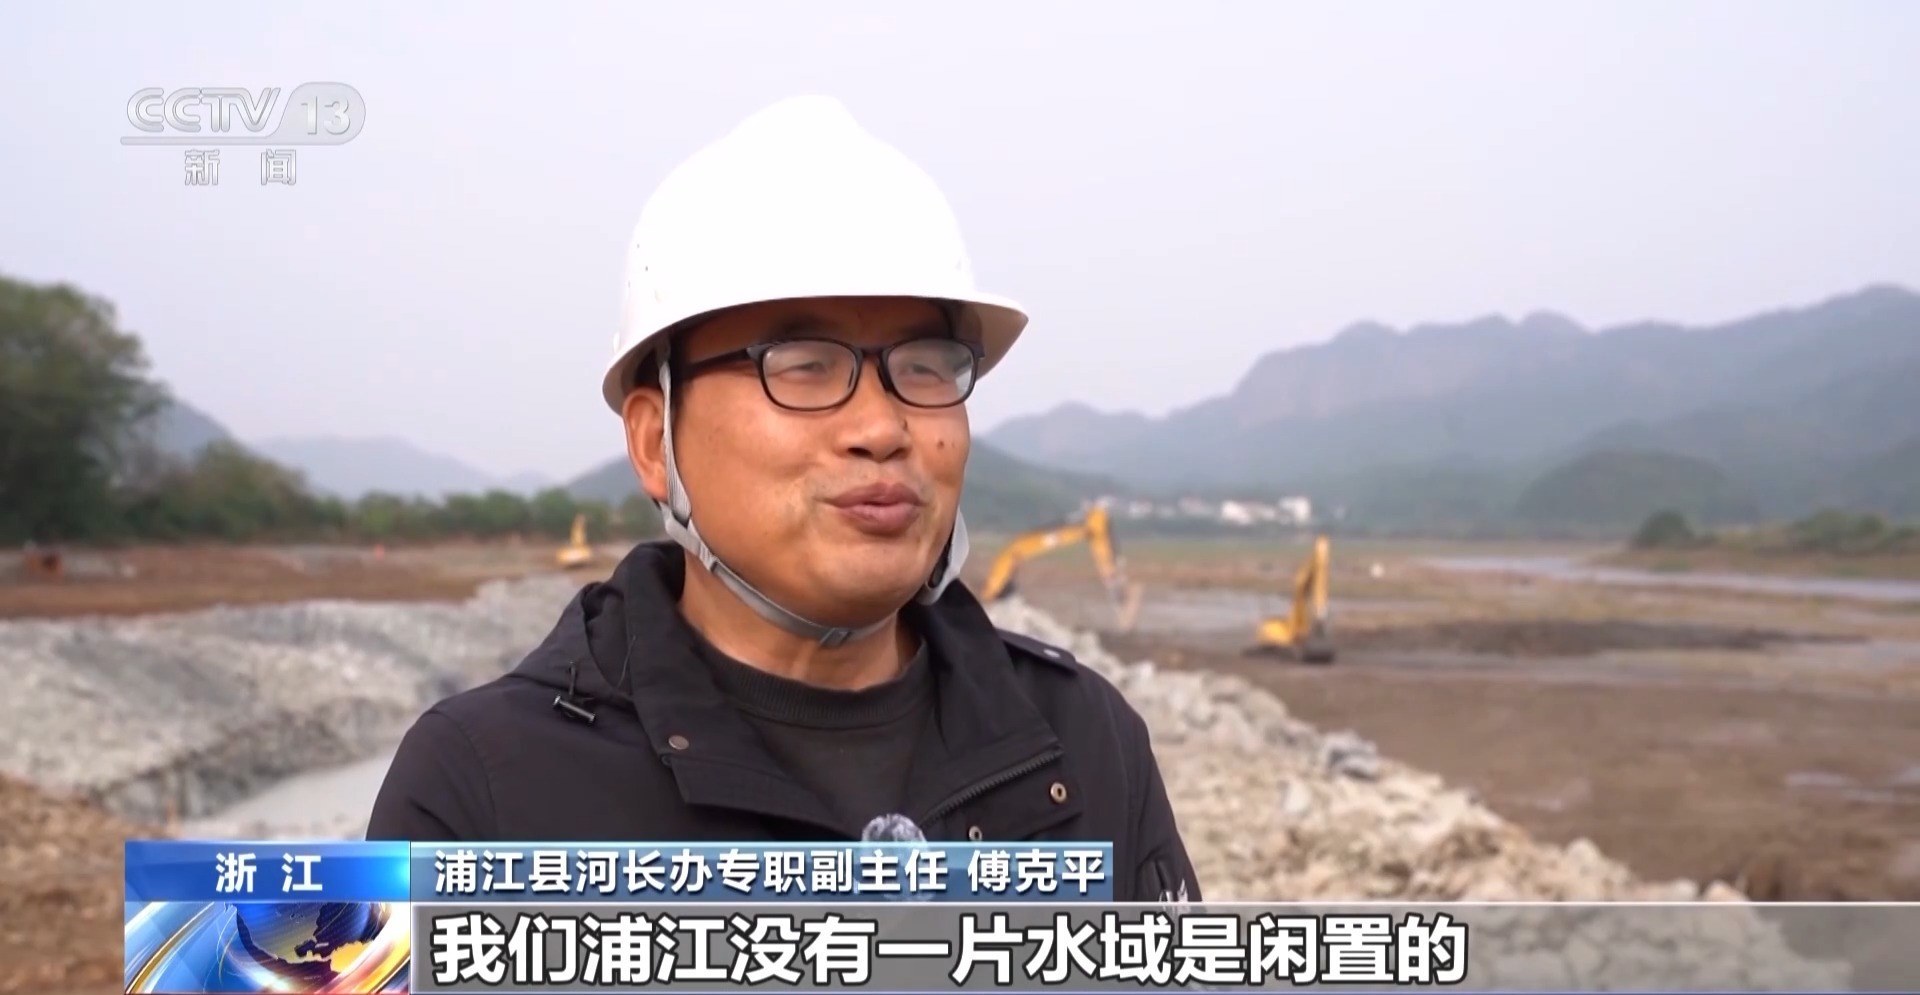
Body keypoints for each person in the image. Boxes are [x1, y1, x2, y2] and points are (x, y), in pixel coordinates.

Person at [365, 95, 1200, 903]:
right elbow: (316, 962)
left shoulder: (1085, 740)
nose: (882, 427)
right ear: (655, 441)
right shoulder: (482, 790)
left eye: (925, 367)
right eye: (802, 365)